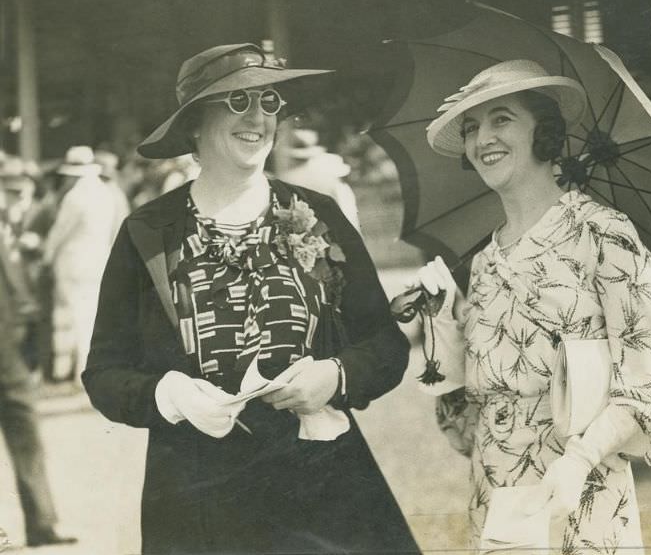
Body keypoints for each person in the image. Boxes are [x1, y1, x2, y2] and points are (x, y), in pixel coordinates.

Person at [81, 43, 419, 555]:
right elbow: (104, 373)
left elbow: (385, 344)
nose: (259, 118)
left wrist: (336, 376)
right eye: (238, 101)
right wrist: (170, 396)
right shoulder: (148, 232)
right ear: (194, 123)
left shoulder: (319, 213)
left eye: (269, 102)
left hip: (323, 486)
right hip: (198, 499)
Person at [411, 60, 651, 551]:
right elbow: (468, 427)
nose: (483, 138)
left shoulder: (602, 234)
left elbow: (647, 377)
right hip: (497, 499)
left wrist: (579, 461)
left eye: (501, 118)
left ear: (543, 131)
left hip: (580, 493)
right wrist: (442, 323)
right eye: (471, 127)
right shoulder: (482, 264)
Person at [0, 193, 76, 548]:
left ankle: (43, 523)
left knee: (29, 441)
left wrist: (30, 351)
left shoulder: (7, 238)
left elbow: (22, 296)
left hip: (11, 359)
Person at [43, 146, 117, 382]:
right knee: (91, 314)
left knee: (71, 316)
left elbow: (59, 232)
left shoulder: (75, 197)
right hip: (98, 259)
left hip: (73, 262)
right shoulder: (107, 194)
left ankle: (67, 370)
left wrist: (46, 257)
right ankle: (83, 369)